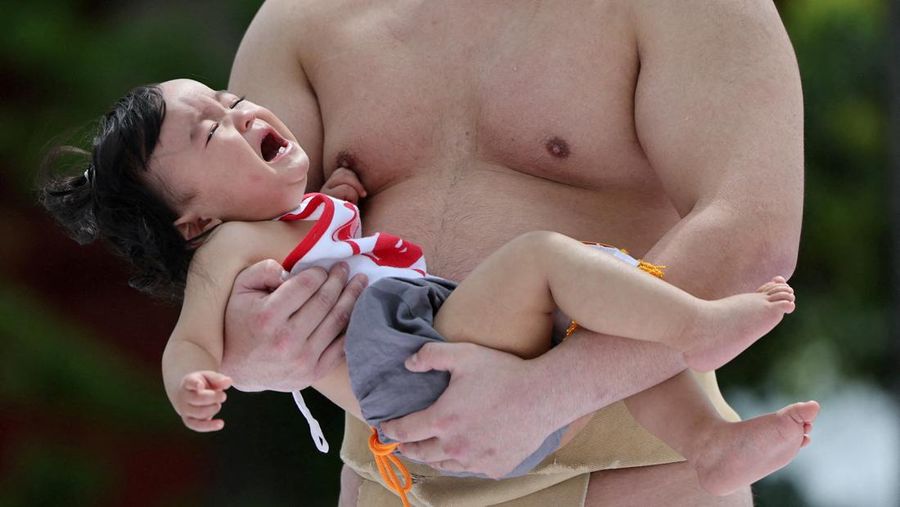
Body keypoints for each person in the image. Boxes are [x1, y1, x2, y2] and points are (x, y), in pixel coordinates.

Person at [41, 79, 815, 507]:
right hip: (410, 371)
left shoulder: (308, 210)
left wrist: (338, 193)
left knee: (601, 296)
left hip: (439, 346)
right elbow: (194, 338)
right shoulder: (232, 245)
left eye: (226, 97)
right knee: (546, 259)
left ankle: (710, 444)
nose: (238, 110)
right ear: (195, 219)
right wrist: (198, 382)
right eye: (212, 131)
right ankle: (699, 326)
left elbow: (753, 221)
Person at [218, 1, 805, 505]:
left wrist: (554, 393)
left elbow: (753, 231)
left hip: (637, 471)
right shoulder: (300, 18)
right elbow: (228, 247)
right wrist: (249, 344)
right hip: (391, 477)